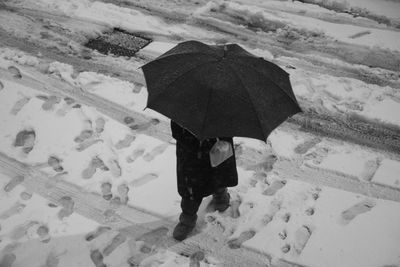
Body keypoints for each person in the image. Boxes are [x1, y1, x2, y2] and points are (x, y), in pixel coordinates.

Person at [171, 120, 238, 241]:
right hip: (189, 148)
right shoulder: (183, 105)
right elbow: (176, 129)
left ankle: (221, 196)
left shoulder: (226, 105)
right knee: (190, 187)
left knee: (218, 173)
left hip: (216, 141)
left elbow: (232, 123)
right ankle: (187, 219)